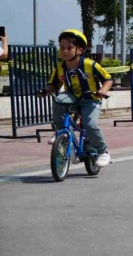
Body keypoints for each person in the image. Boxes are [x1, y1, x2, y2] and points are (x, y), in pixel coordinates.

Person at [39, 30, 113, 167]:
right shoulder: (60, 67)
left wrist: (103, 90)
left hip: (91, 98)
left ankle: (103, 152)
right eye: (62, 48)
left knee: (90, 124)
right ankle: (60, 132)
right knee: (59, 99)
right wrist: (46, 91)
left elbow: (108, 79)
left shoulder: (90, 65)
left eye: (69, 48)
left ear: (80, 50)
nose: (65, 51)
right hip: (72, 97)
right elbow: (54, 85)